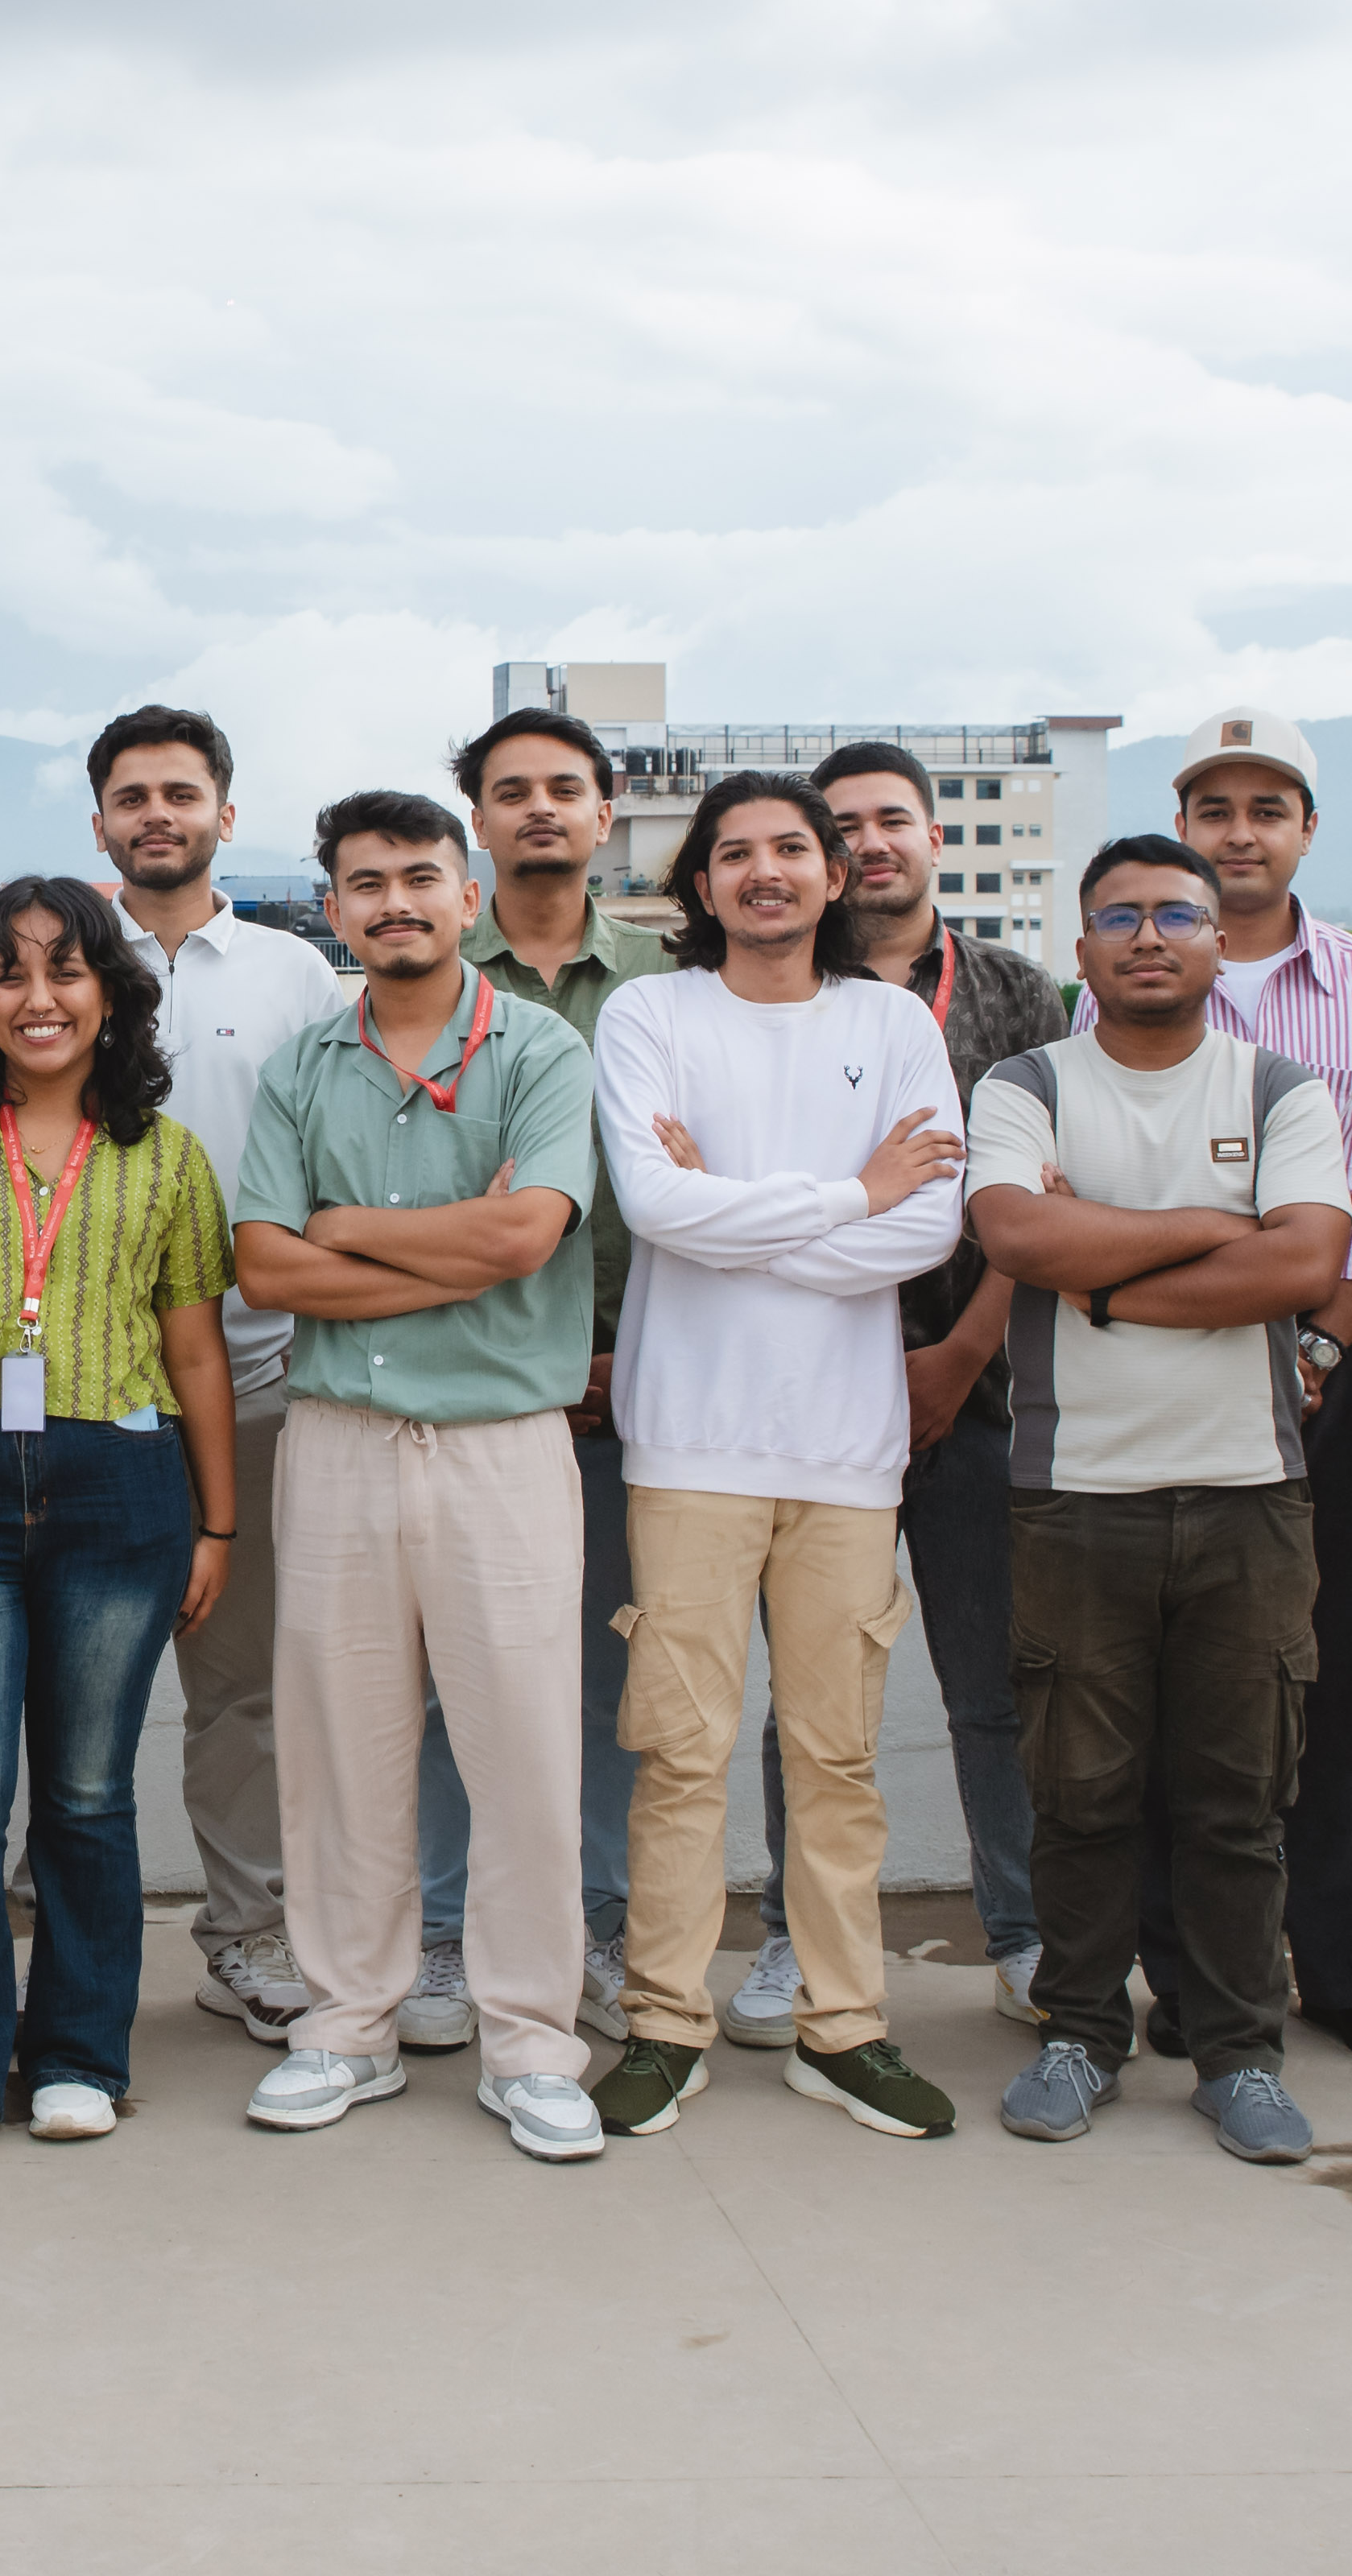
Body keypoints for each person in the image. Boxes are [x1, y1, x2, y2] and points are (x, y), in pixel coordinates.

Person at [228, 791, 609, 2165]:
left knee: (523, 1749)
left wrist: (346, 1230)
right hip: (338, 1441)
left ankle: (531, 2041)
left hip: (505, 1443)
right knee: (341, 1745)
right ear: (334, 908)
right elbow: (265, 1266)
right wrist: (442, 1249)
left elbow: (525, 1239)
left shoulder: (543, 1049)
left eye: (419, 878)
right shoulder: (303, 1067)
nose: (394, 902)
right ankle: (349, 2023)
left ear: (468, 895)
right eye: (366, 883)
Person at [585, 775, 967, 2141]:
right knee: (680, 1753)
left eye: (792, 849)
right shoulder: (651, 1016)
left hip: (848, 1450)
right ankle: (664, 2027)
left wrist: (738, 1222)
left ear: (834, 874)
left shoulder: (892, 1023)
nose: (766, 872)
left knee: (836, 1758)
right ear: (700, 885)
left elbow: (929, 1229)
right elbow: (655, 1206)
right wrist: (853, 1193)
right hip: (691, 1441)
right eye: (735, 853)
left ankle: (842, 2028)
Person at [965, 836, 1352, 2169]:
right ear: (1080, 948)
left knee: (1239, 1797)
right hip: (1076, 1493)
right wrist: (1221, 1225)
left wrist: (1104, 1277)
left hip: (1250, 1492)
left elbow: (1304, 1266)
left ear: (1218, 943)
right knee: (1079, 1791)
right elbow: (1018, 1235)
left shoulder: (1281, 1085)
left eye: (1176, 915)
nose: (1148, 936)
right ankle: (1080, 2032)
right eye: (1119, 916)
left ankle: (1241, 2057)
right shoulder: (1027, 1084)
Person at [0, 877, 240, 2169]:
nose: (38, 998)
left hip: (119, 1491)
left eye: (65, 970)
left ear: (110, 994)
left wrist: (218, 1525)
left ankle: (77, 2053)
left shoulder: (167, 1156)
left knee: (85, 1791)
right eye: (10, 973)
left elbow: (196, 1351)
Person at [1096, 710, 1352, 2071]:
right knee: (1182, 1676)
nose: (1239, 835)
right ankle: (1189, 1975)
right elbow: (1101, 1194)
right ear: (1182, 826)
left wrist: (1320, 1348)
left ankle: (1347, 1969)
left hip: (1338, 1359)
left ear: (1307, 830)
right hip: (1171, 1364)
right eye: (1214, 810)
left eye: (1266, 810)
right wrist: (1207, 1300)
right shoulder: (1123, 972)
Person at [724, 740, 1060, 2042]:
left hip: (975, 1389)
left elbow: (1041, 1194)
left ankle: (1022, 1933)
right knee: (808, 1691)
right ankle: (791, 1937)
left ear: (934, 837)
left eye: (892, 820)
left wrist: (964, 1351)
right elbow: (730, 1201)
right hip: (807, 1385)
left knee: (995, 1682)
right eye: (844, 826)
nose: (870, 844)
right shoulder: (769, 990)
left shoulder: (1016, 991)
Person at [88, 705, 349, 2046]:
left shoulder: (297, 974)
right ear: (100, 823)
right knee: (69, 1688)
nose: (158, 815)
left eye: (180, 794)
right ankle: (58, 1945)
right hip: (83, 1386)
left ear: (224, 815)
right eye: (133, 796)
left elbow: (337, 1160)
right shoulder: (61, 957)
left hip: (255, 1380)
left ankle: (247, 1932)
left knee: (244, 1686)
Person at [424, 703, 663, 2049]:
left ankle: (601, 1929)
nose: (539, 810)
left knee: (609, 1679)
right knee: (452, 1676)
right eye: (511, 791)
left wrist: (628, 1353)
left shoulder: (667, 984)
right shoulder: (426, 979)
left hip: (641, 1381)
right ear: (479, 822)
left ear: (604, 812)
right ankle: (443, 1935)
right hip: (474, 1378)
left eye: (564, 788)